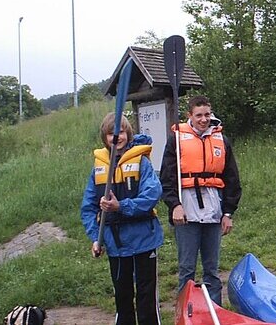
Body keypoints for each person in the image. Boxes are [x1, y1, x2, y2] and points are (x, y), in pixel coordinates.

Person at [80, 112, 163, 325]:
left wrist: (121, 206)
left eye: (121, 133)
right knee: (122, 296)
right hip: (116, 244)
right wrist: (95, 237)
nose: (116, 138)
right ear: (105, 137)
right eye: (111, 134)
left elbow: (152, 195)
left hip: (144, 240)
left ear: (128, 134)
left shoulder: (141, 162)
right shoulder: (98, 169)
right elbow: (88, 208)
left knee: (146, 297)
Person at [160, 95, 242, 305]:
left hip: (213, 211)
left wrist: (228, 213)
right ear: (190, 116)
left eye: (207, 114)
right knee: (187, 268)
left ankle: (214, 311)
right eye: (199, 115)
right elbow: (167, 178)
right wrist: (174, 205)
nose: (204, 119)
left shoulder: (221, 140)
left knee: (212, 270)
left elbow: (232, 179)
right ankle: (184, 312)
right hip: (186, 211)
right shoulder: (177, 140)